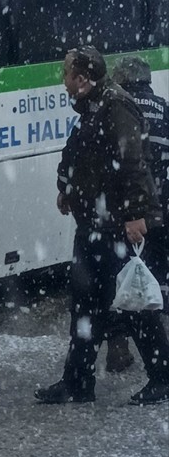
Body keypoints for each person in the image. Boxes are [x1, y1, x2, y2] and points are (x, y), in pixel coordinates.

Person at [35, 45, 169, 405]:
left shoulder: (115, 105)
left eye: (66, 74)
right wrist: (66, 188)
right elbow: (78, 154)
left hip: (115, 224)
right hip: (93, 223)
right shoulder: (92, 106)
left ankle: (163, 377)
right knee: (85, 305)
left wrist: (136, 215)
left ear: (82, 78)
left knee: (132, 301)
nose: (63, 81)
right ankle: (77, 382)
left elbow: (132, 162)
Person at [101, 55, 169, 371]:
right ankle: (159, 342)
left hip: (128, 210)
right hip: (161, 207)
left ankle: (119, 346)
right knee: (156, 272)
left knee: (122, 274)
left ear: (122, 81)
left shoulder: (119, 109)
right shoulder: (164, 109)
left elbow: (117, 163)